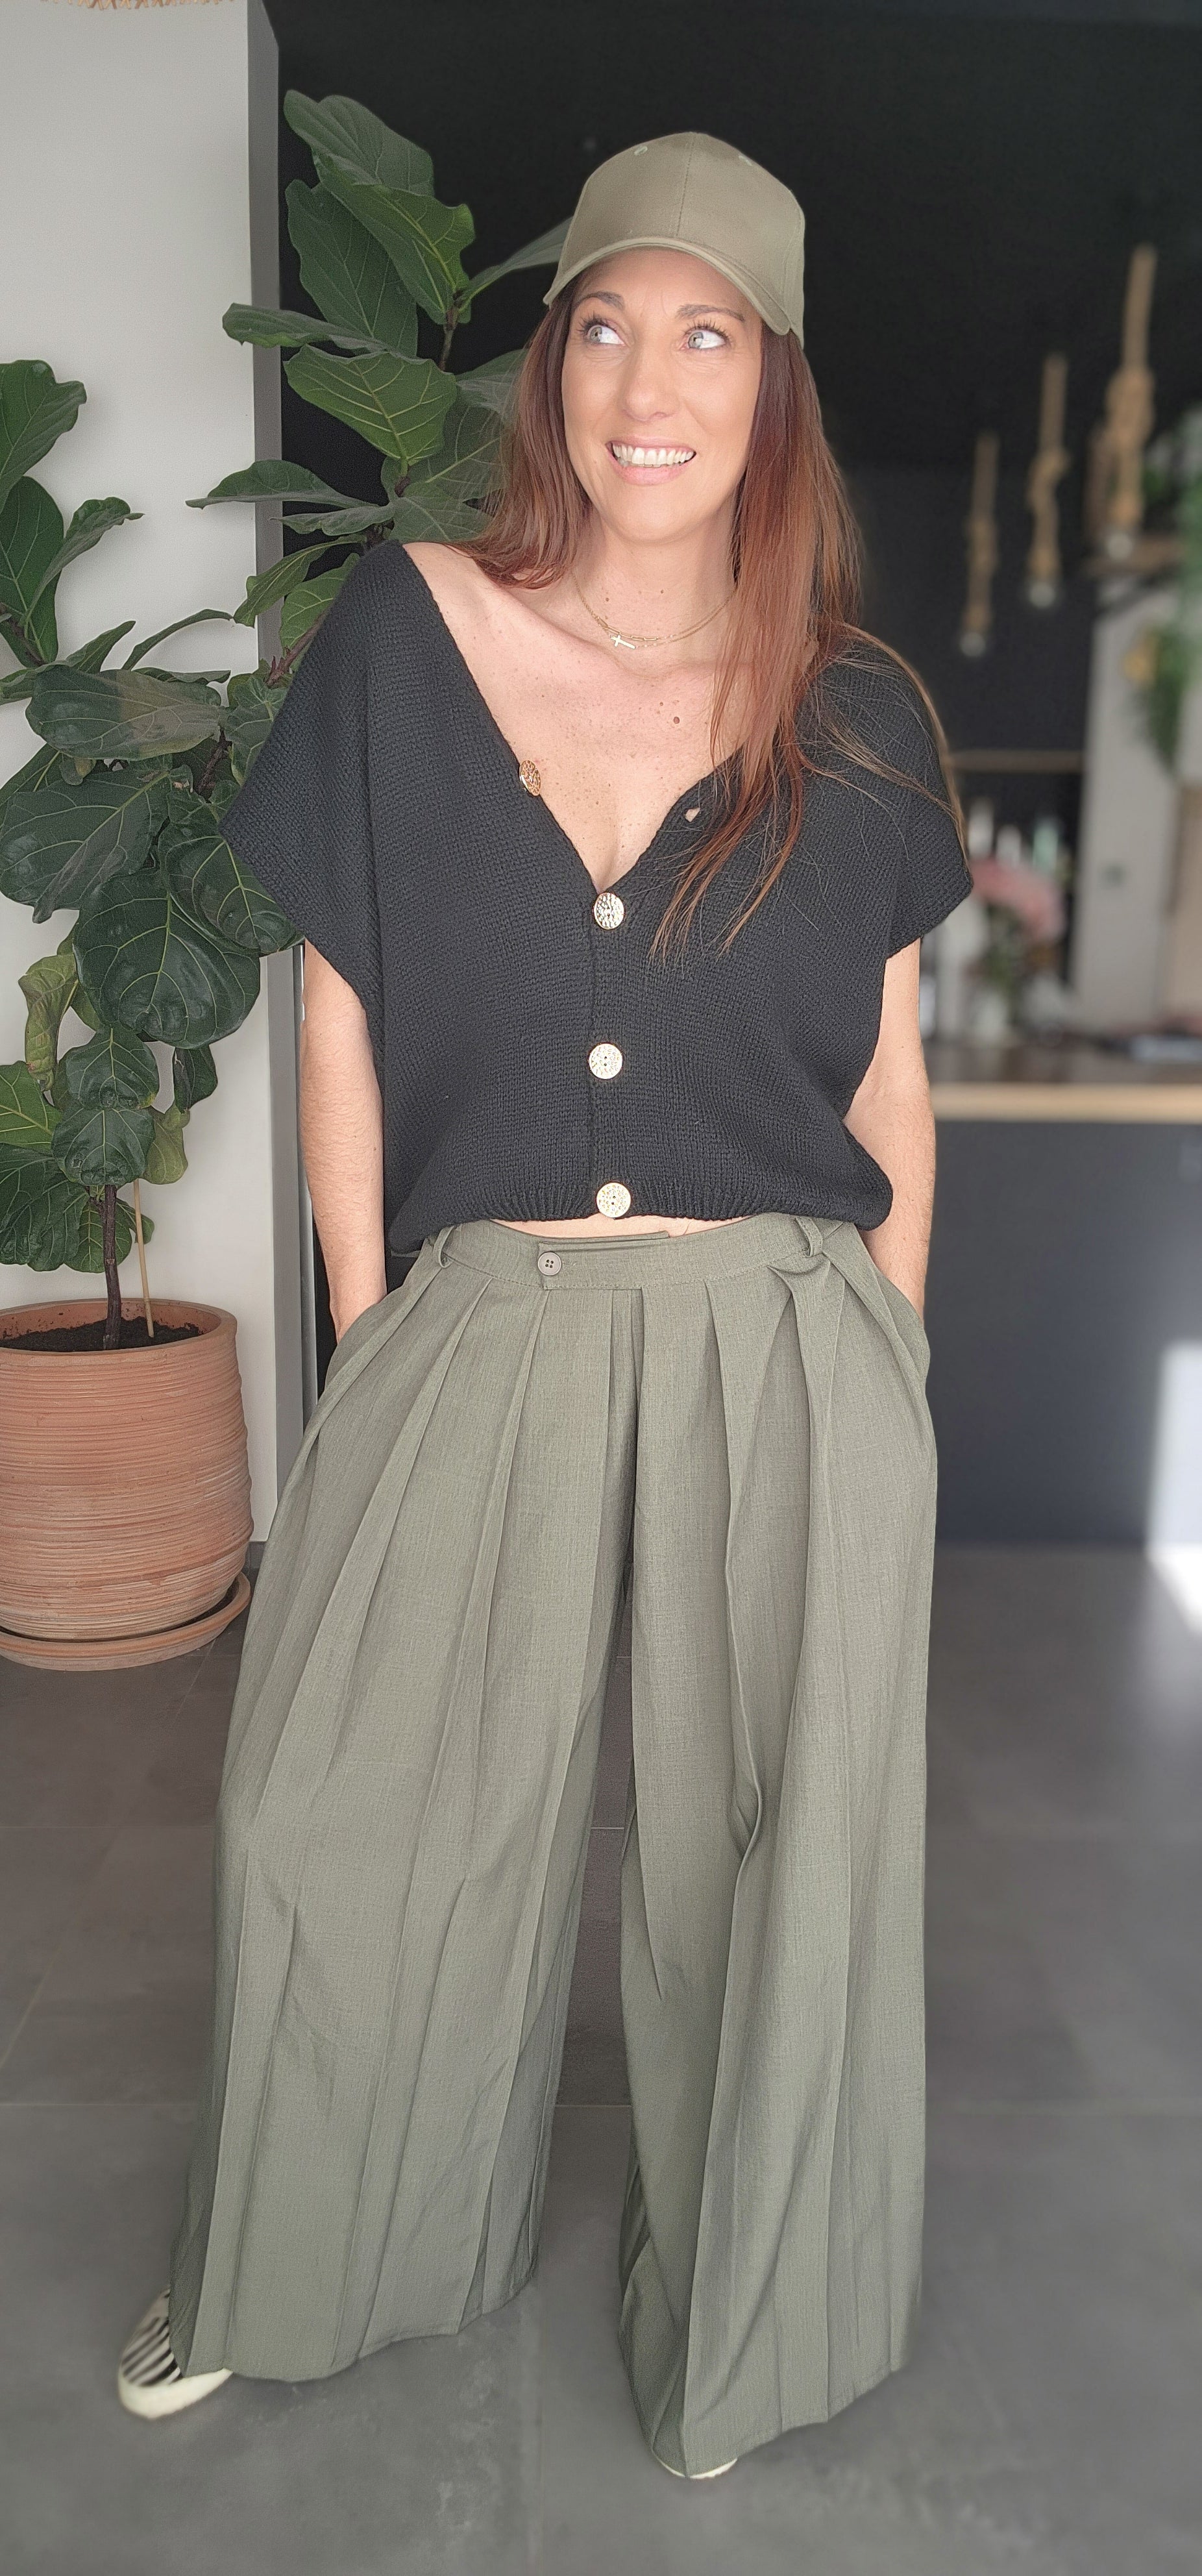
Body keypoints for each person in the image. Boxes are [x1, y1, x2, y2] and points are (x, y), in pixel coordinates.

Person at [117, 131, 971, 2479]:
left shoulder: (856, 709)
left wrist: (888, 1366)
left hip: (781, 1334)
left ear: (771, 386)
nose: (645, 384)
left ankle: (751, 2330)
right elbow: (342, 1020)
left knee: (770, 1858)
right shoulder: (406, 638)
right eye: (604, 328)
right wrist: (371, 1323)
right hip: (480, 1314)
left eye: (704, 335)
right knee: (339, 1813)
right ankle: (300, 2255)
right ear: (552, 370)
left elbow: (891, 1080)